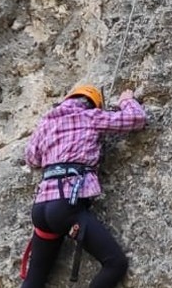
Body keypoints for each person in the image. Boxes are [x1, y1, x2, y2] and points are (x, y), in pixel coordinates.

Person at [20, 83, 148, 288]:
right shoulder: (90, 116)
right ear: (93, 104)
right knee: (115, 263)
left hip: (41, 209)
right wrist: (126, 101)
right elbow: (136, 118)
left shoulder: (46, 122)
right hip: (66, 207)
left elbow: (31, 159)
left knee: (34, 279)